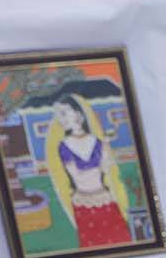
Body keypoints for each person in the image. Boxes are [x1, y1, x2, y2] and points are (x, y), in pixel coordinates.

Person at [44, 93, 132, 249]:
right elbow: (78, 176)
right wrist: (100, 166)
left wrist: (105, 156)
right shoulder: (64, 146)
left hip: (106, 200)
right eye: (58, 115)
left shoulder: (97, 141)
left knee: (121, 241)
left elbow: (107, 169)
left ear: (78, 115)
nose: (60, 119)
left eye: (64, 113)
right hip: (83, 204)